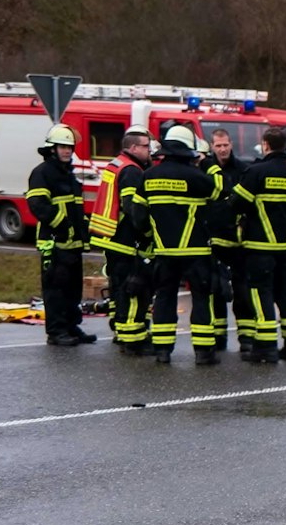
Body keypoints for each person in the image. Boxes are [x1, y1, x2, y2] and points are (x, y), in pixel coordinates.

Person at [133, 125, 221, 365]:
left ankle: (162, 350)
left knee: (164, 297)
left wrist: (152, 234)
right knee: (202, 299)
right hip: (196, 252)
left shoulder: (148, 176)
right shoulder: (198, 178)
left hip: (164, 251)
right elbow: (220, 196)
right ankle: (204, 353)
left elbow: (138, 215)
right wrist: (209, 163)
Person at [231, 126, 286, 363]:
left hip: (259, 247)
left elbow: (237, 204)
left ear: (265, 145)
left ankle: (265, 347)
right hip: (285, 248)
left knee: (260, 293)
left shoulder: (257, 172)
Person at [27, 124, 96, 347]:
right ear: (52, 149)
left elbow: (77, 209)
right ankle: (56, 332)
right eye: (62, 147)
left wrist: (84, 232)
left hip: (72, 243)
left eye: (69, 147)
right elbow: (38, 204)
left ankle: (70, 326)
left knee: (73, 288)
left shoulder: (69, 174)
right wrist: (62, 225)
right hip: (54, 242)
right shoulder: (42, 173)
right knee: (55, 288)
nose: (67, 151)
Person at [89, 126, 154, 354]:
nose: (150, 151)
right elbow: (131, 208)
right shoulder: (132, 171)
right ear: (134, 148)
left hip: (110, 238)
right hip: (126, 240)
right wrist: (146, 234)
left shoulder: (116, 164)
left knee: (118, 290)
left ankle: (120, 331)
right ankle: (133, 339)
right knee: (132, 289)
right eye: (146, 146)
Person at [205, 128, 250, 350]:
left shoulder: (243, 169)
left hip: (239, 240)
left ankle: (246, 338)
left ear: (231, 144)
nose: (222, 149)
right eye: (218, 146)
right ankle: (218, 336)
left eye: (225, 145)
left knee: (243, 291)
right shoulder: (205, 169)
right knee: (216, 290)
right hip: (213, 239)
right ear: (212, 147)